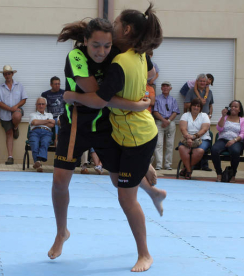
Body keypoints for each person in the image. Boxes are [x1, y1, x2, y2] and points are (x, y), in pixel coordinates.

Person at [50, 17, 164, 267]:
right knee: (59, 182)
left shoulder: (119, 53)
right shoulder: (76, 57)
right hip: (76, 125)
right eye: (95, 46)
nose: (101, 51)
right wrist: (135, 103)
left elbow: (151, 73)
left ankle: (149, 186)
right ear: (85, 42)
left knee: (118, 181)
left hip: (106, 126)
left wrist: (140, 92)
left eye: (106, 46)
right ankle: (62, 232)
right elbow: (95, 94)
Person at [0, 65, 28, 165]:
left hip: (16, 111)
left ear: (12, 74)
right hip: (5, 114)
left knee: (17, 116)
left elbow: (24, 99)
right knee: (8, 134)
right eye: (5, 74)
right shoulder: (0, 87)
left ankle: (16, 127)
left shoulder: (19, 85)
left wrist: (16, 106)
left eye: (9, 73)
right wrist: (10, 109)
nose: (7, 75)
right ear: (4, 75)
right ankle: (10, 157)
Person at [211, 100, 244, 182]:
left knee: (235, 151)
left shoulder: (243, 120)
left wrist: (233, 140)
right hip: (223, 139)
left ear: (239, 109)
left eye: (236, 107)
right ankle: (219, 173)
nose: (233, 108)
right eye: (232, 106)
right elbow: (219, 128)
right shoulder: (225, 117)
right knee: (214, 150)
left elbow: (243, 134)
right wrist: (223, 116)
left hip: (236, 141)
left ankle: (233, 174)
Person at [184, 74, 214, 171]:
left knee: (204, 140)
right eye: (200, 81)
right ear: (197, 81)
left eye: (204, 81)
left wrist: (210, 115)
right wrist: (197, 104)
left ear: (206, 82)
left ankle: (204, 165)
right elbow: (186, 104)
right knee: (192, 141)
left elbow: (211, 105)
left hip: (205, 120)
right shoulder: (191, 91)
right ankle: (193, 165)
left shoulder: (209, 92)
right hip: (193, 119)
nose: (202, 83)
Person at [178, 98, 211, 179]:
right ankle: (189, 171)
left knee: (199, 151)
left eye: (198, 106)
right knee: (182, 148)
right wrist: (188, 137)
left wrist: (193, 137)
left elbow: (204, 130)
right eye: (194, 105)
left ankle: (186, 169)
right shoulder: (185, 115)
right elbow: (183, 129)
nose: (196, 107)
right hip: (187, 138)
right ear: (191, 106)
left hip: (202, 138)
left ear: (201, 108)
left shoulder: (204, 116)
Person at [153, 81, 180, 170]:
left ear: (170, 88)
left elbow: (175, 112)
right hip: (159, 123)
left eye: (167, 86)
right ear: (161, 88)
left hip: (170, 123)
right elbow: (155, 112)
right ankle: (159, 165)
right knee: (158, 144)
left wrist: (168, 121)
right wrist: (163, 120)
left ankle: (168, 164)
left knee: (170, 144)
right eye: (163, 86)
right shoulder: (156, 99)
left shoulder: (173, 100)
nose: (165, 88)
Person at [28, 97, 55, 172]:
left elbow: (52, 124)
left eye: (43, 104)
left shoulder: (49, 114)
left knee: (45, 142)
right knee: (35, 144)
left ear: (45, 105)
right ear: (36, 105)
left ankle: (38, 161)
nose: (41, 106)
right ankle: (38, 164)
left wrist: (40, 122)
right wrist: (47, 121)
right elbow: (34, 123)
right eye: (39, 104)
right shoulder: (32, 114)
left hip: (47, 133)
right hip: (34, 132)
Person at [41, 76, 65, 145]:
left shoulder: (64, 93)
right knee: (55, 123)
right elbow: (41, 107)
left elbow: (69, 106)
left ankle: (57, 141)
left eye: (58, 84)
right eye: (55, 84)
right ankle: (57, 142)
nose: (57, 86)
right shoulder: (45, 94)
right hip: (51, 117)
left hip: (62, 116)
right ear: (51, 85)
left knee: (59, 122)